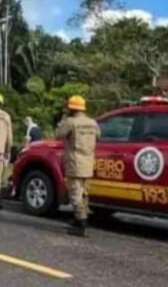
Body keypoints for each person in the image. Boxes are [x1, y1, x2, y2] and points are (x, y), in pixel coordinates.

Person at [56, 95, 100, 238]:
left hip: (75, 163)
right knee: (84, 194)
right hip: (88, 163)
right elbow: (98, 136)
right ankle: (79, 219)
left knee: (75, 194)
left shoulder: (70, 122)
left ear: (71, 108)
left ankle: (81, 224)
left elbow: (58, 135)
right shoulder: (92, 123)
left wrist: (63, 118)